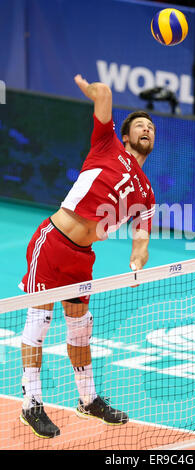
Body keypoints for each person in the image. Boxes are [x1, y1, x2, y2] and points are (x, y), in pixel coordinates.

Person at [19, 74, 156, 439]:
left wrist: (136, 261)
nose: (147, 129)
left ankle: (88, 399)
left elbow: (141, 240)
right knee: (39, 324)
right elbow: (106, 95)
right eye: (140, 125)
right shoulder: (106, 144)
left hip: (83, 256)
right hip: (53, 241)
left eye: (151, 127)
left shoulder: (147, 192)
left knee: (81, 329)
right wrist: (93, 90)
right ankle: (31, 403)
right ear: (125, 136)